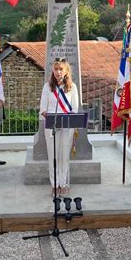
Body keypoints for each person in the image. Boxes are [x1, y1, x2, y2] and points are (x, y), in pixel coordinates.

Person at [40, 58, 79, 196]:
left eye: (61, 69)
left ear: (66, 71)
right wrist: (53, 118)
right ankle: (55, 184)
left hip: (67, 126)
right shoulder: (47, 87)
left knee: (64, 156)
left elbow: (74, 108)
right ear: (53, 71)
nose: (58, 72)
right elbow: (43, 109)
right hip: (52, 127)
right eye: (56, 69)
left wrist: (65, 119)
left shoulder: (72, 87)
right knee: (53, 157)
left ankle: (64, 183)